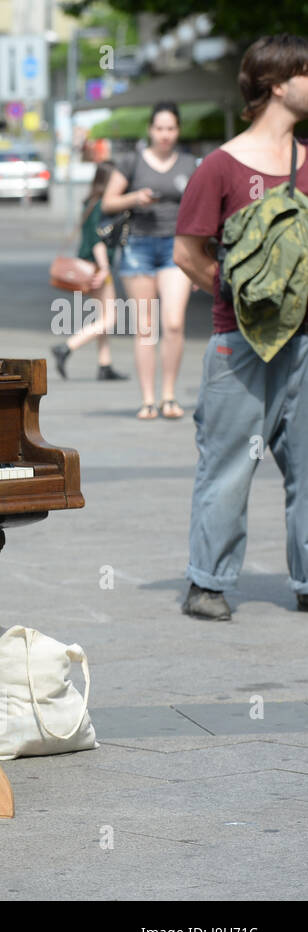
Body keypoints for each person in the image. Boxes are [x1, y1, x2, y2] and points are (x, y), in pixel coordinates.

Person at [173, 34, 308, 621]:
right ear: (279, 83)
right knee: (229, 464)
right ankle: (207, 583)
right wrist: (239, 298)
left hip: (305, 341)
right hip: (239, 343)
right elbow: (187, 252)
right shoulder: (220, 167)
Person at [101, 102, 199, 419]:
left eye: (171, 128)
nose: (165, 134)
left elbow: (201, 212)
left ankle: (169, 395)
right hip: (138, 246)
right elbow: (108, 202)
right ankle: (147, 399)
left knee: (173, 323)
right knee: (145, 328)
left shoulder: (189, 163)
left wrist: (201, 261)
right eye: (159, 128)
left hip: (176, 247)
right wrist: (135, 197)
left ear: (178, 130)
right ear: (150, 129)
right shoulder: (131, 161)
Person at [51, 162, 131, 380]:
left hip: (90, 265)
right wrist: (104, 268)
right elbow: (97, 241)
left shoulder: (90, 203)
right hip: (97, 266)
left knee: (103, 315)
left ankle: (105, 365)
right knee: (110, 318)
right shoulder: (101, 207)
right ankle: (66, 347)